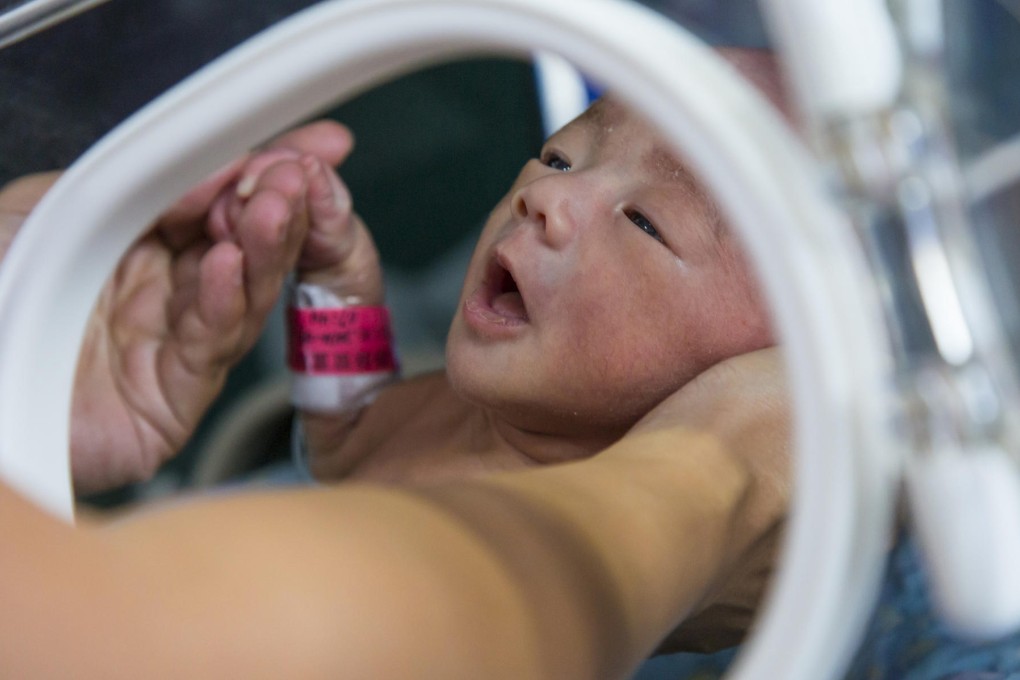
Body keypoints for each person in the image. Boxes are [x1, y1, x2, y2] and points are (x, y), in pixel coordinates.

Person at [0, 48, 789, 675]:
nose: (549, 198)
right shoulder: (479, 418)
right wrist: (336, 299)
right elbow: (345, 434)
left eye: (649, 223)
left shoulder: (631, 554)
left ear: (771, 392)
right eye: (559, 157)